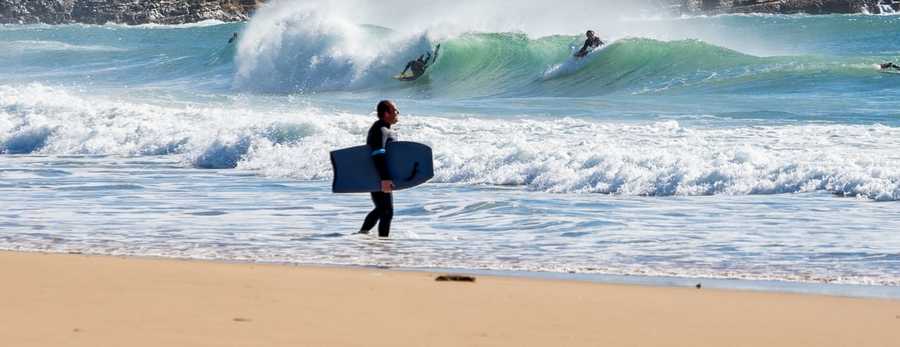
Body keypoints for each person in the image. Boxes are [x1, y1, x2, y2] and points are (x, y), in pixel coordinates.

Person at [359, 100, 400, 237]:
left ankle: (363, 234)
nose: (397, 113)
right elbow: (378, 153)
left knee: (383, 209)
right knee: (386, 210)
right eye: (395, 111)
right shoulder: (380, 129)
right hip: (379, 175)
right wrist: (385, 178)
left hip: (379, 174)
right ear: (386, 113)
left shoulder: (384, 129)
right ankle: (383, 245)